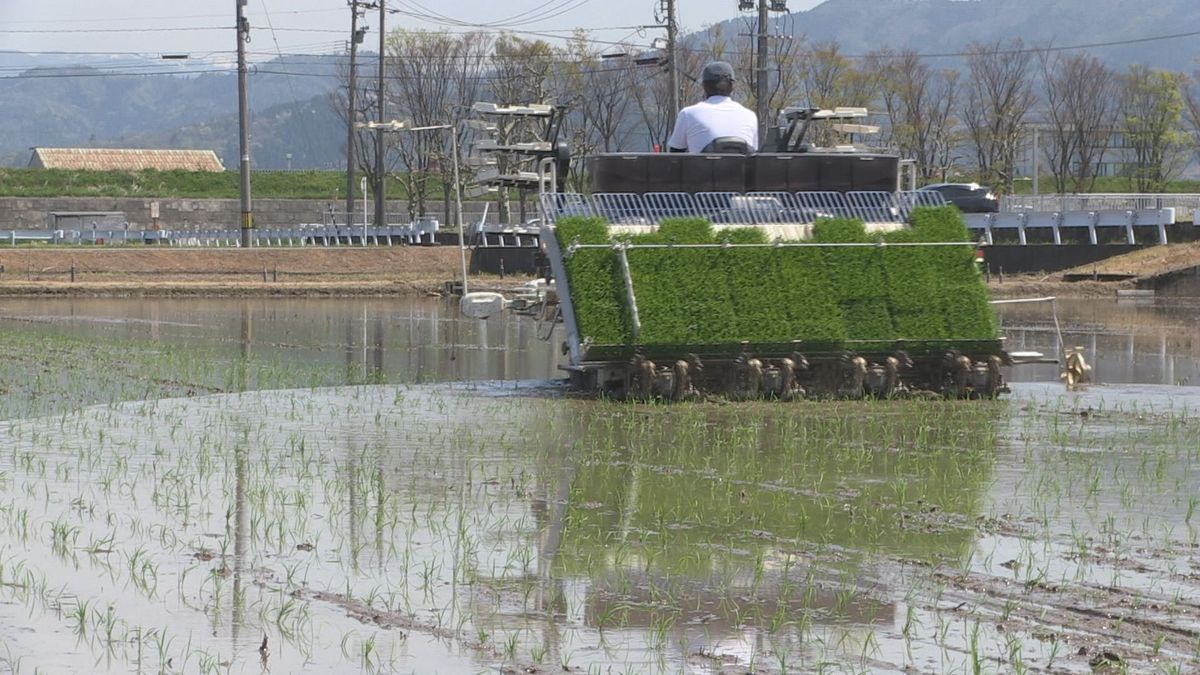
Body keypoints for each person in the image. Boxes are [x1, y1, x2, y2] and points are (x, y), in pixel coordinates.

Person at [667, 61, 758, 154]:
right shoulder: (750, 116)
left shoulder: (688, 114)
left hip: (702, 168)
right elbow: (752, 153)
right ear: (732, 86)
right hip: (742, 168)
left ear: (704, 86)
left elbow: (675, 157)